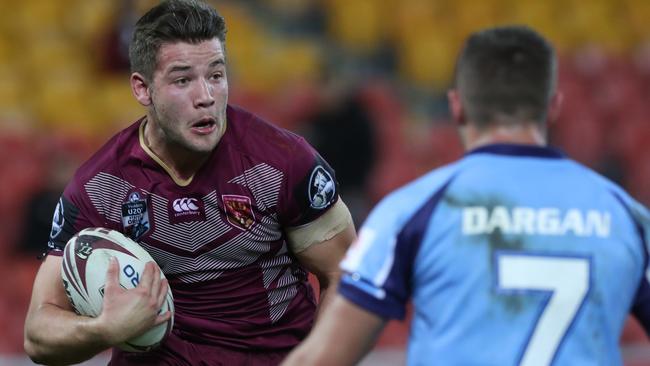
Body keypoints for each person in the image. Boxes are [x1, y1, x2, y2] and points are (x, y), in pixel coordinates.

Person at [282, 25, 650, 366]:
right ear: (553, 106)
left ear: (457, 106)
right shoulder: (627, 216)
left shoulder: (411, 213)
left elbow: (322, 358)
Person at [23, 0, 356, 365]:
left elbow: (344, 275)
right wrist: (104, 329)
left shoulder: (283, 161)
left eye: (216, 75)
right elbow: (39, 333)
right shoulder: (100, 186)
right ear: (142, 89)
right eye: (183, 80)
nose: (206, 97)